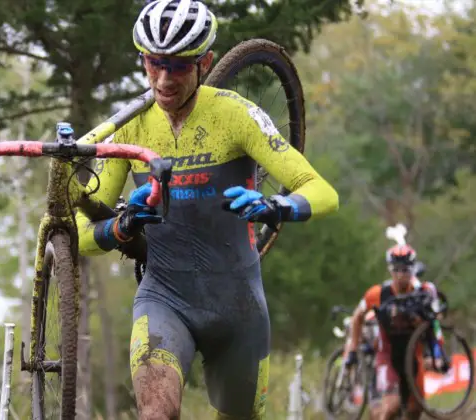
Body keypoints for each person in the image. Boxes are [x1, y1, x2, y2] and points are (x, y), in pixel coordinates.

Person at [74, 1, 339, 418]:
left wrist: (277, 205)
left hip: (238, 306)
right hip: (164, 298)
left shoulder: (235, 114)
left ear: (206, 62)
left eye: (178, 66)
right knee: (156, 413)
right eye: (154, 63)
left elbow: (323, 192)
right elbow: (80, 232)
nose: (163, 79)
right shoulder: (131, 124)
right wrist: (120, 228)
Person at [343, 244, 446, 420]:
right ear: (390, 270)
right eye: (396, 270)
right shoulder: (377, 293)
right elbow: (357, 317)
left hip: (414, 357)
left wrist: (437, 353)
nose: (400, 275)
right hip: (387, 356)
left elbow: (436, 323)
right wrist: (353, 347)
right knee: (390, 408)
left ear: (412, 269)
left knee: (414, 411)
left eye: (405, 270)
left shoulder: (422, 293)